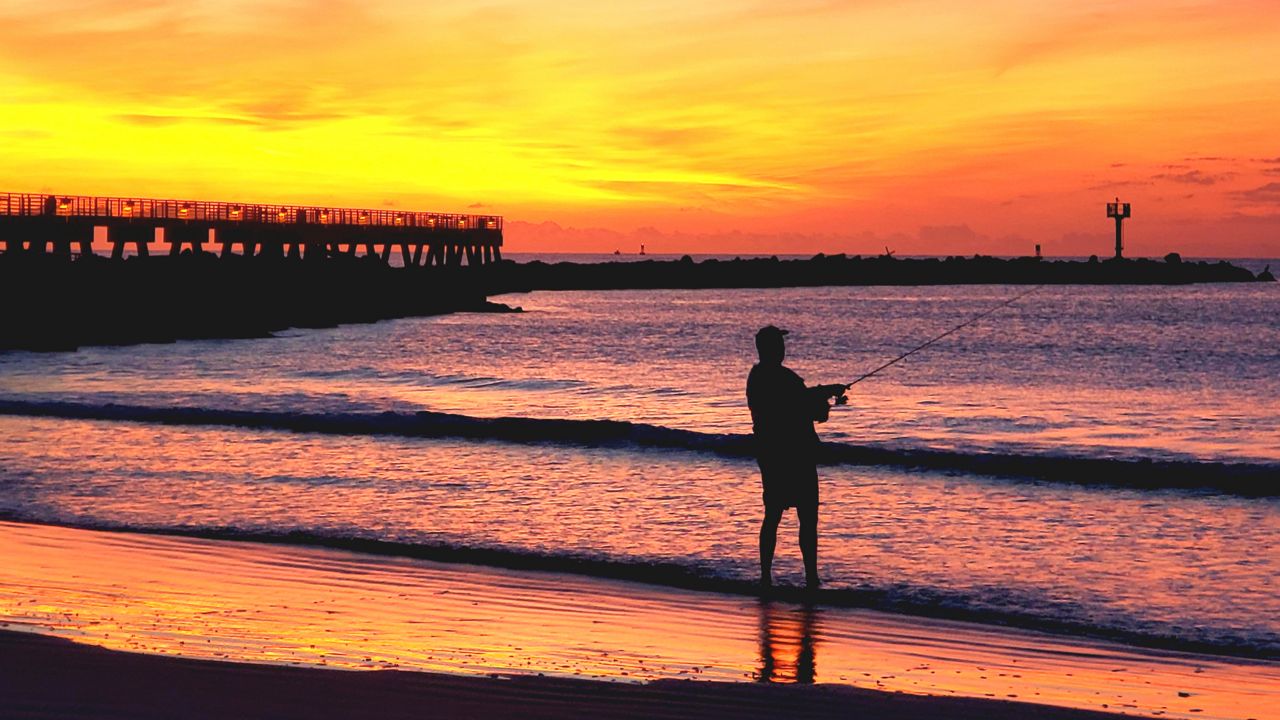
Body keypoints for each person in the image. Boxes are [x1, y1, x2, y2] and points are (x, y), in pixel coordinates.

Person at [746, 325, 846, 590]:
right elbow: (811, 410)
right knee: (807, 517)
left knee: (773, 515)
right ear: (771, 348)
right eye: (779, 344)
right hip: (796, 455)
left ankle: (766, 577)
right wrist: (827, 395)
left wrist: (823, 394)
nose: (783, 348)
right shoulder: (784, 378)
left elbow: (801, 403)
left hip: (770, 455)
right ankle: (811, 578)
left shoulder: (756, 377)